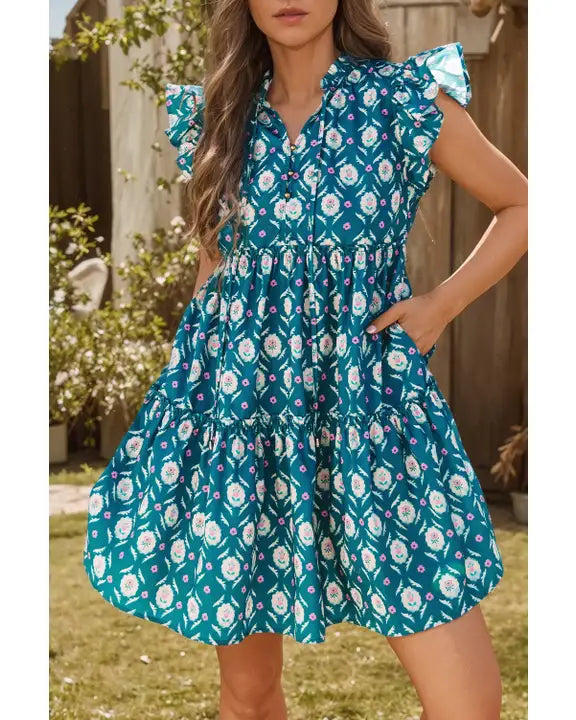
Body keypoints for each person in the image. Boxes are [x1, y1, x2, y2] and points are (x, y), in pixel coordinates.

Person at [83, 1, 528, 718]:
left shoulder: (405, 100)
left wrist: (440, 305)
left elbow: (524, 207)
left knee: (467, 699)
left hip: (372, 415)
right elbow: (215, 267)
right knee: (249, 693)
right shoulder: (219, 119)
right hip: (242, 420)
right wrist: (188, 393)